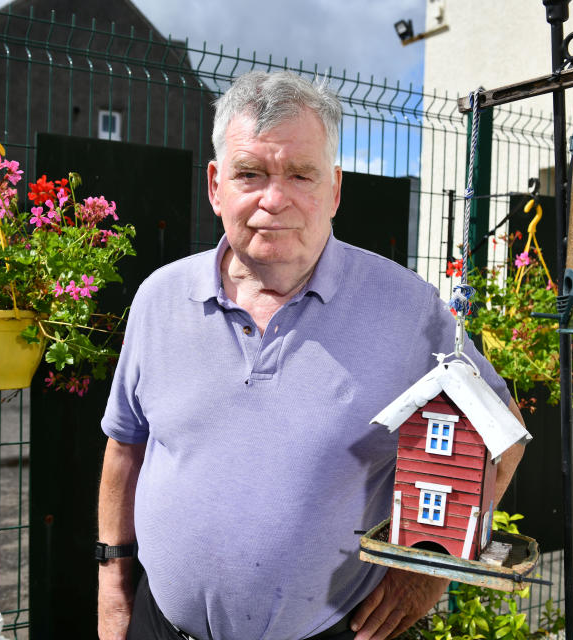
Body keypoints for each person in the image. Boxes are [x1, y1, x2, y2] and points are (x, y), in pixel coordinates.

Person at [97, 70, 526, 640]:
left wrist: (426, 573)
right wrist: (111, 586)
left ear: (335, 190)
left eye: (301, 174)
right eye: (250, 174)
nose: (274, 200)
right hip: (160, 626)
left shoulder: (407, 309)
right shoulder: (159, 298)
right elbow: (126, 448)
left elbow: (504, 435)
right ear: (215, 184)